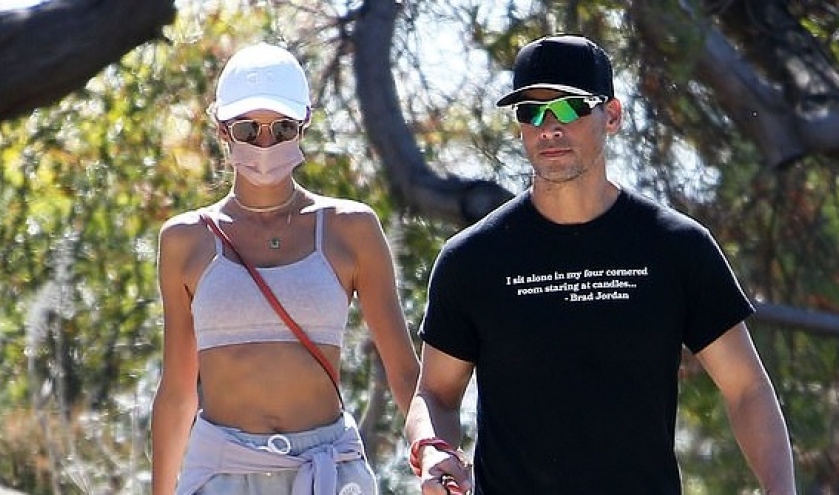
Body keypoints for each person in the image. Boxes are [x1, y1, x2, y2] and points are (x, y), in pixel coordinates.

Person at [404, 35, 797, 494]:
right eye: (531, 112)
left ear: (612, 115)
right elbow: (435, 394)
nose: (549, 127)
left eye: (570, 107)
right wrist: (432, 449)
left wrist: (781, 490)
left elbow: (747, 389)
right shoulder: (472, 258)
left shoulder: (676, 246)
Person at [150, 42, 420, 495]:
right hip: (221, 472)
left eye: (282, 128)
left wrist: (433, 450)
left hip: (327, 469)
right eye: (248, 129)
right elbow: (178, 391)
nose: (265, 144)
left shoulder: (351, 228)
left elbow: (405, 373)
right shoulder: (185, 239)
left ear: (304, 124)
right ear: (222, 129)